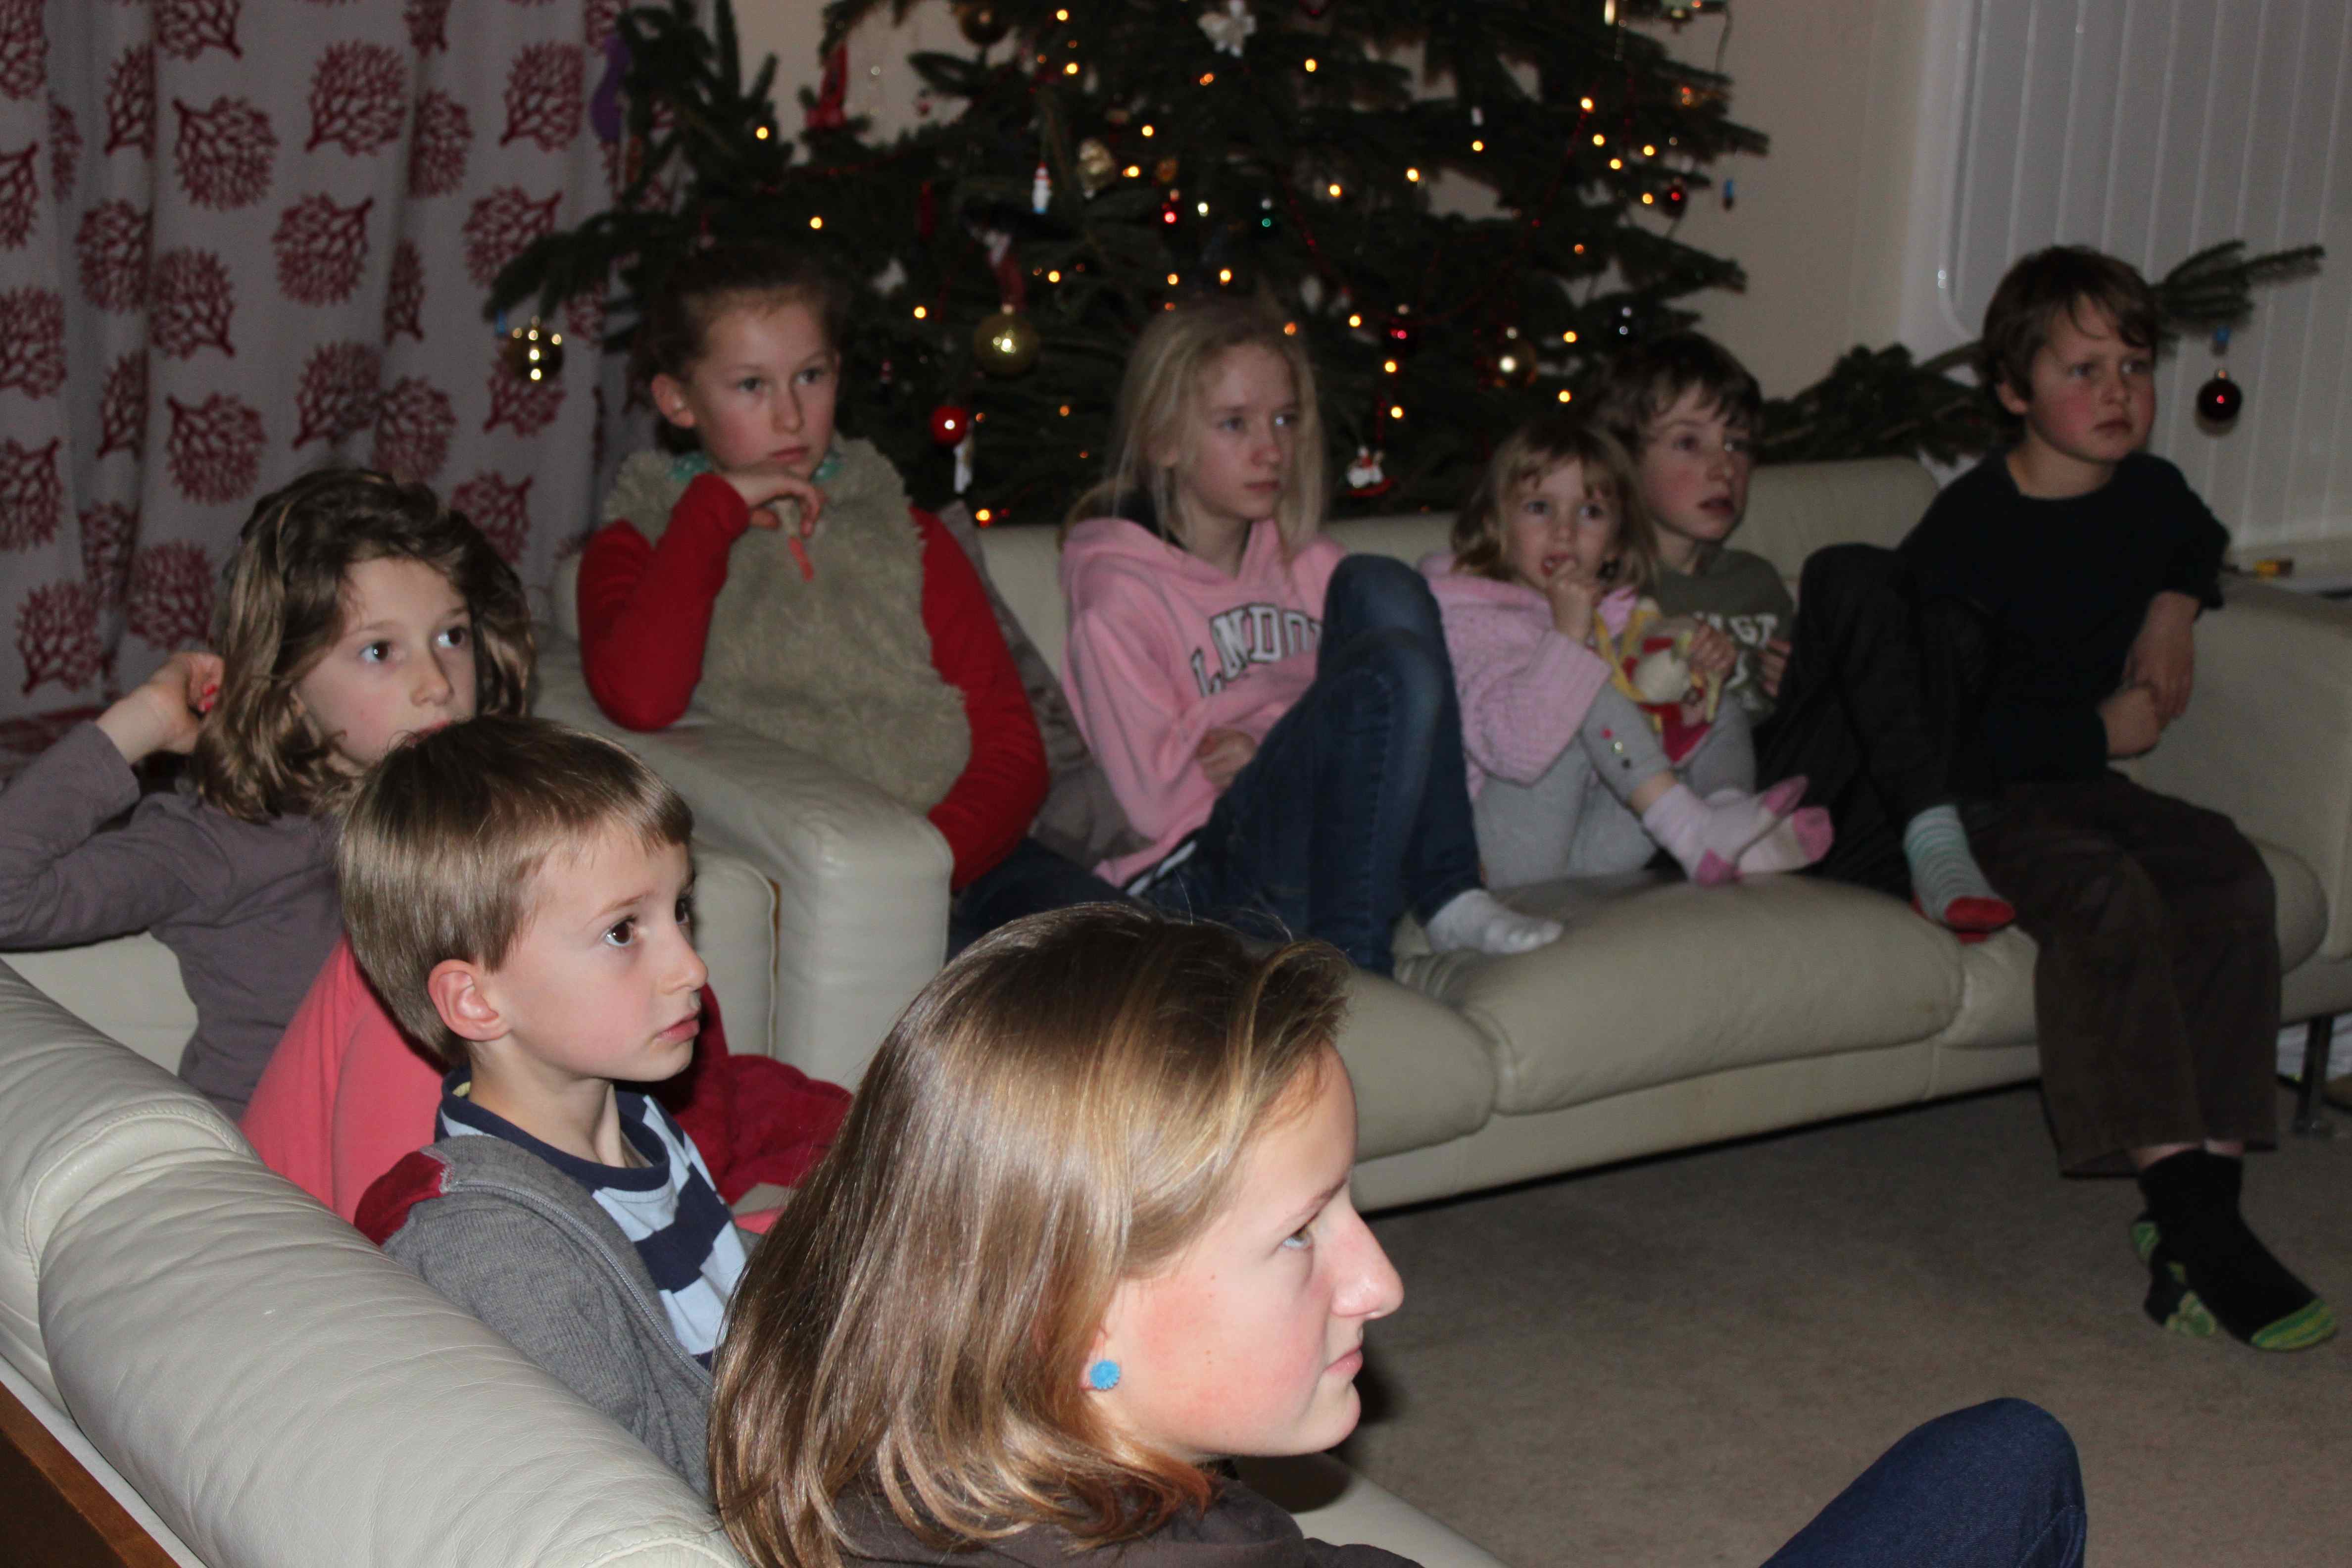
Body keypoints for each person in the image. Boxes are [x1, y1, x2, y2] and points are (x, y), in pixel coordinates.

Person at [708, 903, 2087, 1568]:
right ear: (1064, 1309)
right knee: (2003, 1460)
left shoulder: (881, 1439)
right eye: (1299, 1234)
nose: (1379, 1278)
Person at [1902, 245, 2332, 1352]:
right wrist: (2096, 730)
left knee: (2227, 871)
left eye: (2133, 367)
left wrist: (2176, 608)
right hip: (1977, 802)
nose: (2117, 394)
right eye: (2082, 370)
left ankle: (2200, 1221)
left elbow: (2196, 535)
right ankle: (2196, 1219)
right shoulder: (1967, 529)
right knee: (2104, 895)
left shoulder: (2148, 493)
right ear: (2013, 389)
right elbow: (1933, 730)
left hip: (2081, 786)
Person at [577, 241, 1118, 955]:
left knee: (1151, 965)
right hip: (825, 885)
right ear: (678, 400)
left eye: (811, 376)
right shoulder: (641, 542)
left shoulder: (908, 532)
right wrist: (710, 514)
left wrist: (927, 861)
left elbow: (1014, 746)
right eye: (751, 386)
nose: (791, 417)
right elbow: (640, 700)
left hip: (966, 856)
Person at [0, 468, 529, 1114]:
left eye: (452, 636)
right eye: (379, 651)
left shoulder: (503, 813)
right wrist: (145, 721)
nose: (438, 683)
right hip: (283, 1159)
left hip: (468, 1143)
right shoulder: (220, 841)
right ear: (287, 684)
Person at [1060, 298, 1562, 973]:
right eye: (1234, 423)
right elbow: (1152, 805)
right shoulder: (1118, 592)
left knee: (1383, 584)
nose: (1271, 450)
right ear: (1164, 441)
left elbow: (1378, 727)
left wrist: (1270, 740)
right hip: (1200, 882)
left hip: (1330, 843)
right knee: (1387, 663)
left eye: (1285, 419)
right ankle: (1357, 963)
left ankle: (1450, 894)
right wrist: (1289, 749)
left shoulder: (1312, 563)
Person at [349, 716, 753, 1492]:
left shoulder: (637, 1123)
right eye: (623, 931)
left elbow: (728, 1303)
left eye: (680, 909)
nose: (691, 967)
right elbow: (637, 1498)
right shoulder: (494, 1247)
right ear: (476, 1001)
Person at [1596, 334, 2014, 936]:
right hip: (1685, 823)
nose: (1723, 467)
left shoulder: (1756, 581)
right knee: (1843, 573)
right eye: (1689, 442)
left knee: (1951, 627)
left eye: (1738, 444)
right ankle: (1938, 839)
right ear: (1624, 462)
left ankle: (1935, 841)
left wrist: (1796, 682)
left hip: (1798, 807)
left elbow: (1820, 719)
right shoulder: (1609, 589)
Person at [1421, 410, 1831, 888]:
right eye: (1539, 507)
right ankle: (1689, 826)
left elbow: (1625, 739)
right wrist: (1568, 639)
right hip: (1507, 851)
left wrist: (1694, 677)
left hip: (1597, 844)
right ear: (1496, 524)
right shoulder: (1468, 614)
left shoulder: (1619, 616)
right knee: (1589, 684)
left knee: (1714, 701)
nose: (1565, 531)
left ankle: (1730, 822)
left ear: (1615, 544)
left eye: (1591, 513)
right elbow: (1516, 752)